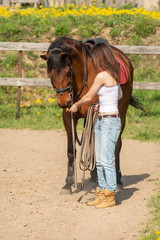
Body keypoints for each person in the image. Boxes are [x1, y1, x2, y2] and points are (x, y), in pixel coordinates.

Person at [70, 42, 123, 208]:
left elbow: (88, 96)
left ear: (100, 57)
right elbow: (119, 95)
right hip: (104, 119)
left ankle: (110, 195)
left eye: (95, 57)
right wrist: (105, 103)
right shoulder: (114, 74)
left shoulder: (101, 76)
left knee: (106, 160)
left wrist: (76, 105)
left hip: (108, 122)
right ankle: (101, 193)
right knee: (99, 160)